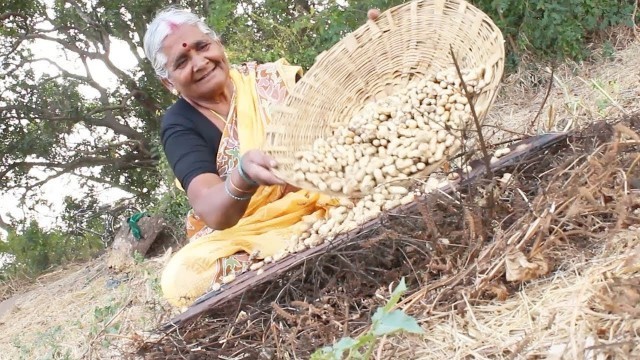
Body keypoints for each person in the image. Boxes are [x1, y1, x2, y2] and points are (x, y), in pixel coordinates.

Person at [143, 6, 379, 308]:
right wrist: (243, 177)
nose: (200, 62)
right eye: (182, 61)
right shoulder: (180, 124)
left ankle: (302, 254)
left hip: (326, 196)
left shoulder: (269, 80)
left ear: (217, 44)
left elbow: (334, 116)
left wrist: (367, 52)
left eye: (203, 47)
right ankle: (306, 256)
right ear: (168, 82)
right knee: (182, 279)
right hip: (254, 232)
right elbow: (212, 211)